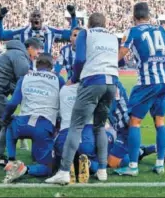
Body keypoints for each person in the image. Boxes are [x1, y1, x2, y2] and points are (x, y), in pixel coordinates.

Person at [46, 13, 118, 184]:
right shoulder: (113, 37)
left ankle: (64, 171)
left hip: (93, 80)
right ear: (104, 23)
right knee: (99, 127)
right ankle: (102, 170)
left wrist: (75, 78)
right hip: (112, 82)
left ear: (89, 24)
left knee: (75, 126)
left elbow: (79, 59)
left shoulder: (85, 34)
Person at [115, 2, 165, 176]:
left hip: (147, 82)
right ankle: (160, 164)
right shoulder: (160, 30)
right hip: (164, 80)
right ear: (149, 15)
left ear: (134, 16)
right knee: (160, 121)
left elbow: (121, 53)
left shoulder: (132, 31)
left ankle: (132, 166)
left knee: (134, 122)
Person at [0, 38, 43, 166]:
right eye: (37, 52)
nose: (36, 56)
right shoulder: (20, 56)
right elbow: (23, 82)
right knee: (9, 121)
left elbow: (13, 83)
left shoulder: (11, 53)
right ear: (31, 48)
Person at [1, 53, 65, 184]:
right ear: (52, 66)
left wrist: (6, 117)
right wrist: (58, 124)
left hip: (22, 124)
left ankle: (11, 160)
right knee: (47, 168)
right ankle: (25, 169)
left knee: (10, 125)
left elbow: (13, 103)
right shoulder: (58, 79)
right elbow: (63, 105)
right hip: (44, 125)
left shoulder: (25, 78)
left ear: (36, 64)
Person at [107, 80, 160, 170]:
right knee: (107, 150)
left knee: (112, 163)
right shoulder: (108, 82)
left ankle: (140, 152)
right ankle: (144, 148)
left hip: (125, 129)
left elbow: (108, 107)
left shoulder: (112, 84)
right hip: (118, 129)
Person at [54, 83, 99, 184]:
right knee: (99, 160)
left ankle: (67, 165)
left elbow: (57, 115)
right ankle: (89, 164)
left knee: (57, 157)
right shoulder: (91, 88)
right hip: (87, 136)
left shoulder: (64, 90)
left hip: (66, 134)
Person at [0, 5, 78, 55]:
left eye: (38, 16)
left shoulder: (51, 31)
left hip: (45, 70)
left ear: (42, 19)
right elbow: (1, 36)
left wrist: (73, 16)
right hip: (28, 70)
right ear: (30, 19)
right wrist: (0, 18)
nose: (36, 17)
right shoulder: (22, 32)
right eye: (34, 16)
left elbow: (72, 34)